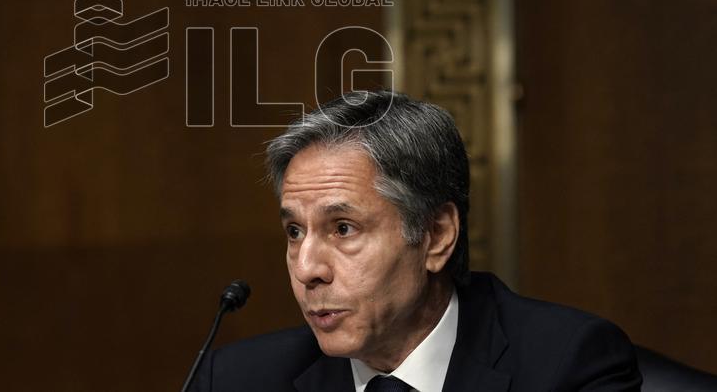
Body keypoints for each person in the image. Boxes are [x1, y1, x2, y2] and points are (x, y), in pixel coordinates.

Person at [190, 91, 642, 391]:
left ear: (437, 235)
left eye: (343, 228)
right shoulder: (235, 380)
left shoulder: (568, 367)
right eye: (295, 231)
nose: (307, 268)